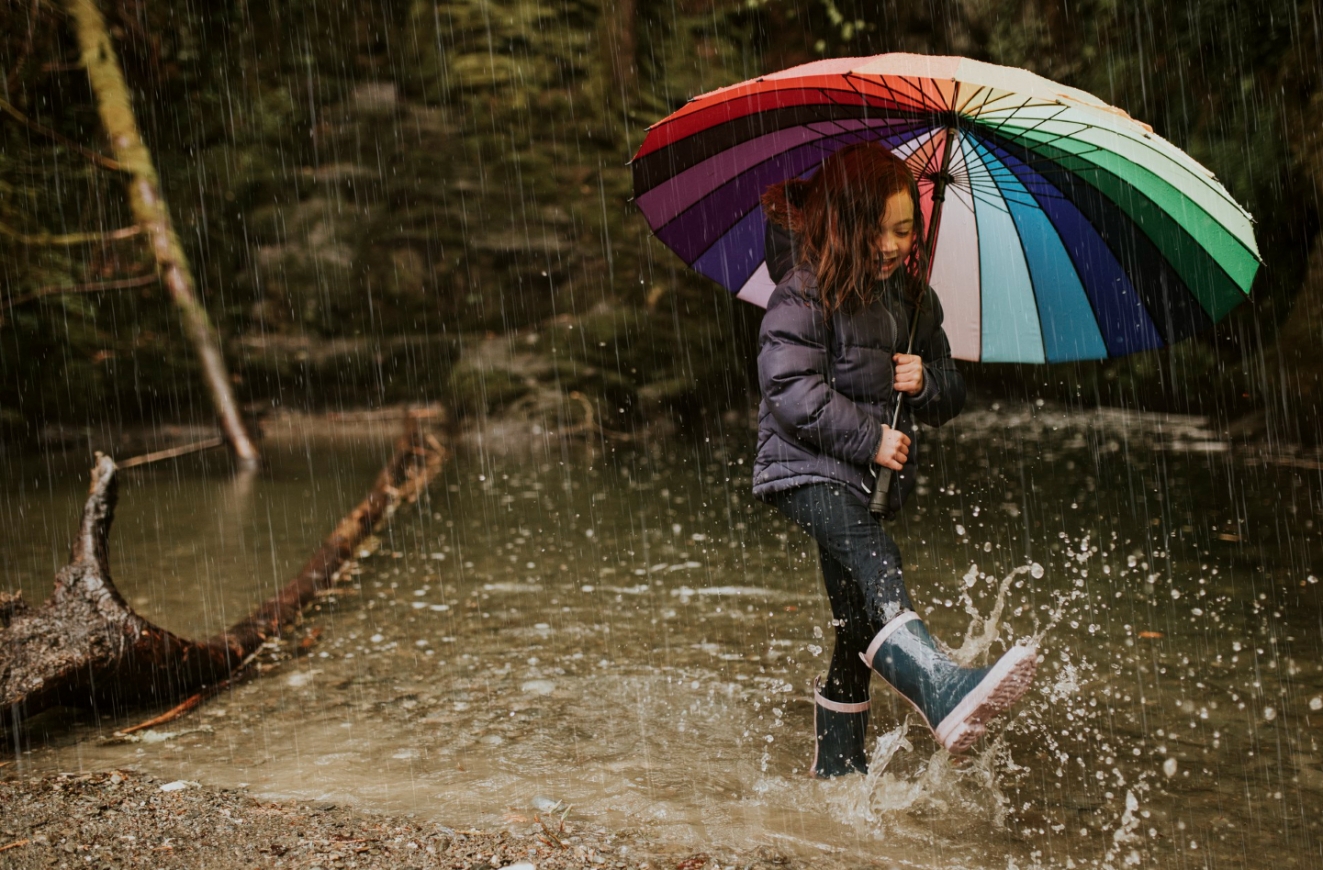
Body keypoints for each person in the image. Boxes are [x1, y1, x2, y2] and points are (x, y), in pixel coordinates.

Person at [753, 142, 1038, 777]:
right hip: (803, 469)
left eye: (904, 230)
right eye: (877, 229)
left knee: (856, 623)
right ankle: (940, 686)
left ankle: (836, 772)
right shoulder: (803, 290)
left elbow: (950, 393)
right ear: (845, 224)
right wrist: (872, 438)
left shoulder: (912, 301)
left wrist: (925, 381)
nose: (891, 244)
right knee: (875, 560)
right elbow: (790, 391)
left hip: (859, 477)